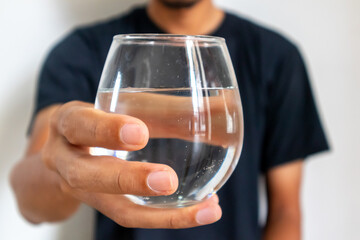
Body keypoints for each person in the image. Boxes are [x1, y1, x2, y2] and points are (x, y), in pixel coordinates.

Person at [10, 0, 329, 239]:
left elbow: (286, 212)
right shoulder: (83, 52)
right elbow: (30, 200)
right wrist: (60, 172)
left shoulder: (276, 57)